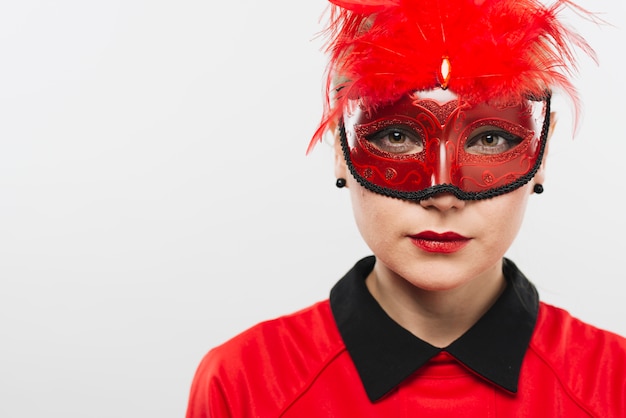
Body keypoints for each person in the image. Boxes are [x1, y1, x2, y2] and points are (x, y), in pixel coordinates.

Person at [186, 0, 626, 416]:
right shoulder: (244, 383)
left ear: (542, 157)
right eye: (396, 136)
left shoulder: (614, 386)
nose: (442, 194)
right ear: (341, 149)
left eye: (490, 139)